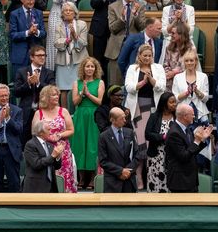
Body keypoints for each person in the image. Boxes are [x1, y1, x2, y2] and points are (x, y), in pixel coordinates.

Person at [124, 44, 166, 189]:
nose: (147, 58)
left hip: (154, 108)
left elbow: (162, 86)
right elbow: (128, 87)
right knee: (140, 142)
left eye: (150, 55)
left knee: (151, 142)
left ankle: (151, 176)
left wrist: (152, 80)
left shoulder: (158, 68)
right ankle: (139, 175)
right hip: (138, 109)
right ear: (139, 56)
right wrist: (142, 82)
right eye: (145, 55)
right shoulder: (132, 68)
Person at [32, 85, 76, 193]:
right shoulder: (39, 113)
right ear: (45, 97)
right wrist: (48, 137)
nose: (57, 97)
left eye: (57, 95)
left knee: (64, 177)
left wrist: (60, 135)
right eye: (53, 95)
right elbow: (34, 132)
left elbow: (71, 130)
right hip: (45, 150)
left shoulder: (63, 111)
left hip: (63, 150)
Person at [71, 57, 105, 189]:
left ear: (95, 69)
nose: (89, 69)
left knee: (92, 145)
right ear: (83, 68)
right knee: (79, 145)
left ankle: (92, 179)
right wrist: (81, 94)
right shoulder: (76, 82)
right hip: (80, 116)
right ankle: (81, 178)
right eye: (87, 66)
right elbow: (74, 102)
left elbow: (100, 101)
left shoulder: (99, 82)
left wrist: (88, 94)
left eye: (92, 66)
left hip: (94, 115)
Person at [105, 0, 146, 85]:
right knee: (116, 84)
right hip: (117, 48)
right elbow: (113, 28)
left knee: (133, 81)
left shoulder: (140, 6)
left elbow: (141, 27)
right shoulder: (113, 7)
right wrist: (122, 18)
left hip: (134, 47)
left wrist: (135, 15)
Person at [14, 46, 55, 149]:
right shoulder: (22, 72)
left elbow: (52, 90)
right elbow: (16, 92)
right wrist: (28, 83)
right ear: (32, 57)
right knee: (25, 143)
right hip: (26, 113)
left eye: (44, 55)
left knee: (44, 143)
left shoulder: (49, 73)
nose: (42, 58)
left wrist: (38, 83)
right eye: (39, 55)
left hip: (44, 112)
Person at [165, 103, 213, 192]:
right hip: (180, 182)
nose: (194, 116)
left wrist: (202, 140)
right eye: (192, 114)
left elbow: (192, 151)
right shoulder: (174, 133)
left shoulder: (186, 129)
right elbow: (184, 156)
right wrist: (197, 141)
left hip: (190, 180)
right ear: (185, 116)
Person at [46, 0, 80, 71]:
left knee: (70, 40)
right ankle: (53, 72)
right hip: (56, 14)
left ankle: (68, 72)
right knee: (55, 43)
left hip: (70, 15)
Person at [89, 0, 121, 78]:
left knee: (114, 57)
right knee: (98, 57)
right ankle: (98, 82)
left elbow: (124, 5)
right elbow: (93, 4)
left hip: (116, 26)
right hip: (100, 26)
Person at [55, 2, 89, 108]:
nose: (68, 12)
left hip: (79, 60)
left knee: (78, 87)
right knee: (63, 88)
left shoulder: (82, 24)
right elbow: (56, 42)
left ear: (75, 13)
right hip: (63, 60)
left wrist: (75, 36)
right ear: (62, 13)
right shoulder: (58, 25)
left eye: (71, 10)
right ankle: (65, 113)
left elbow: (84, 43)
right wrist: (67, 40)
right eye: (66, 10)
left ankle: (78, 112)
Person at [98, 107, 139, 193]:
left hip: (129, 181)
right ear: (113, 120)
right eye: (122, 118)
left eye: (125, 117)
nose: (125, 120)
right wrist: (120, 171)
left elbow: (137, 155)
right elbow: (103, 161)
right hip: (112, 183)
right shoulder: (104, 137)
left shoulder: (130, 133)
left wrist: (127, 172)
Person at [9, 0, 46, 80]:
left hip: (35, 56)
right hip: (20, 55)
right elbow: (13, 35)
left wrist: (36, 32)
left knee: (36, 84)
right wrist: (27, 33)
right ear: (22, 0)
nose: (31, 2)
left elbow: (44, 33)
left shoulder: (39, 13)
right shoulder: (14, 14)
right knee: (20, 83)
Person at [145, 92, 176, 193]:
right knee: (155, 181)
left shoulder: (177, 117)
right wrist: (162, 137)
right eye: (171, 102)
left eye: (175, 102)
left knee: (169, 180)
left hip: (172, 155)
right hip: (156, 155)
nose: (174, 104)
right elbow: (147, 134)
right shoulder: (155, 116)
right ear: (164, 103)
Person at [23, 120, 64, 193]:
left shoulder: (50, 145)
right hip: (35, 187)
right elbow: (36, 164)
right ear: (41, 132)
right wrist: (52, 156)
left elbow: (57, 166)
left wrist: (58, 156)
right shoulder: (30, 145)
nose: (50, 132)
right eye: (48, 130)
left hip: (51, 187)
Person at [172, 49, 210, 125]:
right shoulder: (177, 77)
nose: (189, 63)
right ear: (184, 62)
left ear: (196, 61)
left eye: (191, 60)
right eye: (187, 61)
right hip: (183, 115)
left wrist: (197, 91)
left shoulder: (203, 77)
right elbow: (175, 99)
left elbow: (206, 99)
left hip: (200, 115)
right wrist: (186, 93)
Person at [160, 0, 195, 64]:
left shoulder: (190, 9)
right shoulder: (166, 9)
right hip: (169, 41)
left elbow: (191, 31)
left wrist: (183, 20)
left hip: (186, 42)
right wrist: (175, 20)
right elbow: (165, 32)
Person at [163, 22, 195, 91]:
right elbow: (165, 64)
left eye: (173, 33)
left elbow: (190, 66)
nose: (171, 35)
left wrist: (174, 72)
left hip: (185, 79)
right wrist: (169, 73)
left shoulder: (190, 49)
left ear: (181, 34)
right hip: (170, 80)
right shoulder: (169, 48)